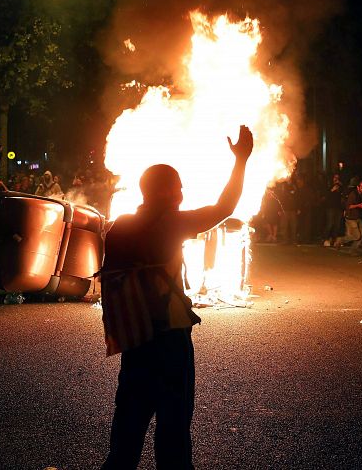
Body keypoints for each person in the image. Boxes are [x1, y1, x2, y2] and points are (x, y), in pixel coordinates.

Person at [100, 125, 253, 470]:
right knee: (173, 435)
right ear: (169, 191)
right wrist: (241, 160)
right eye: (179, 186)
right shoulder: (171, 224)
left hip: (135, 338)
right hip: (169, 339)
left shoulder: (119, 226)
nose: (183, 192)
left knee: (126, 436)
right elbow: (225, 207)